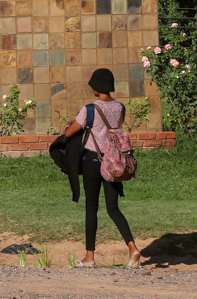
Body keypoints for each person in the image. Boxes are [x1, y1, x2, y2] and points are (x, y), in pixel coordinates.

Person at [62, 67, 142, 269]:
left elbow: (70, 133)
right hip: (114, 163)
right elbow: (112, 129)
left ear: (96, 88)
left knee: (92, 207)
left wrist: (69, 126)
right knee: (113, 208)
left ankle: (89, 258)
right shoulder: (120, 107)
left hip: (93, 161)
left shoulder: (90, 109)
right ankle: (133, 249)